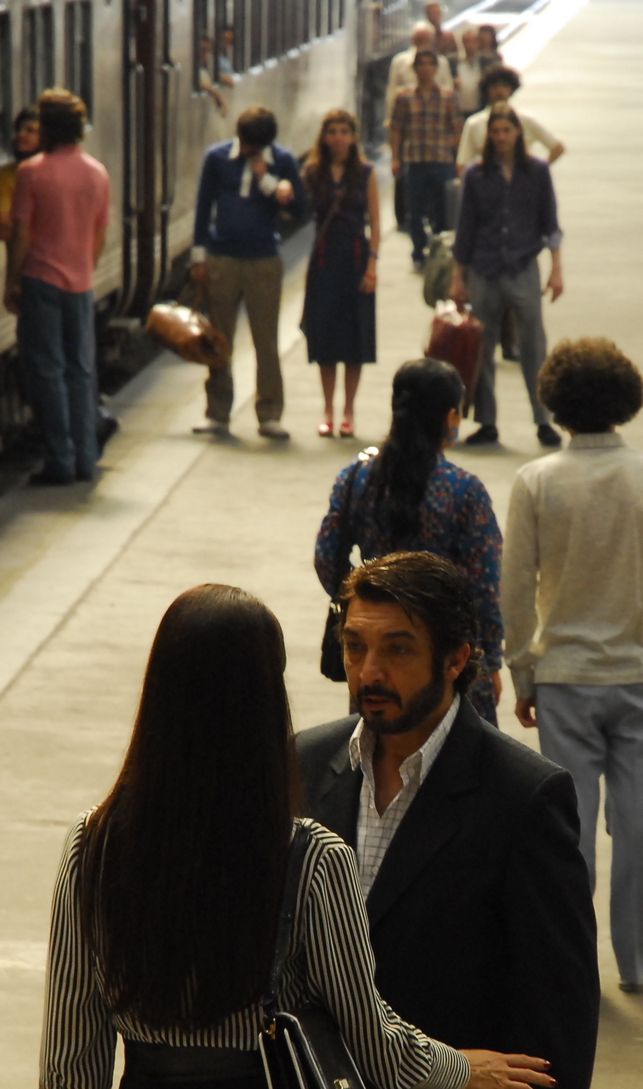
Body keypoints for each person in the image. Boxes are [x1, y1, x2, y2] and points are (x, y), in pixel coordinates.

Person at [42, 584, 552, 1089]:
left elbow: (71, 1067)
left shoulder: (93, 848)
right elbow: (376, 1046)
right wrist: (466, 1071)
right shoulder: (311, 861)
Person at [297, 551, 599, 1089]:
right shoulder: (303, 768)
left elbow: (558, 992)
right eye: (357, 647)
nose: (369, 671)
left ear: (458, 659)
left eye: (397, 649)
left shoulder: (521, 796)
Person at [503, 339, 643, 995]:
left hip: (564, 679)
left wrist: (523, 672)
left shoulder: (536, 482)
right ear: (625, 402)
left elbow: (514, 590)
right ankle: (638, 963)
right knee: (640, 826)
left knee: (571, 829)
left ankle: (569, 964)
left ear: (556, 403)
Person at [314, 361, 505, 722]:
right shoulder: (464, 491)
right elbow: (484, 587)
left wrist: (366, 601)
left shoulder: (356, 479)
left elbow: (327, 559)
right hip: (447, 656)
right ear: (451, 416)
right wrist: (490, 658)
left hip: (377, 652)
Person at [3, 90, 112, 485]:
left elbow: (21, 234)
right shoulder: (97, 173)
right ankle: (85, 458)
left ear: (47, 128)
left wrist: (11, 281)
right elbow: (99, 234)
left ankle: (60, 460)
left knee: (47, 371)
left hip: (42, 284)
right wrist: (84, 270)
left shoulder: (31, 173)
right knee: (80, 371)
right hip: (80, 286)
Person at [451, 104, 565, 449]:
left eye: (506, 131)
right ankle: (487, 421)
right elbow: (465, 229)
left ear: (519, 134)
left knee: (534, 345)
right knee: (482, 347)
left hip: (523, 266)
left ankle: (543, 418)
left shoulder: (538, 173)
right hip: (484, 268)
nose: (500, 138)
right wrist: (459, 277)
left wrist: (557, 269)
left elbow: (551, 223)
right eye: (495, 132)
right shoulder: (476, 175)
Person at [191, 107, 306, 440]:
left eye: (251, 147)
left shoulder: (282, 161)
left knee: (265, 339)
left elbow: (299, 208)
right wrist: (199, 257)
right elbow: (203, 206)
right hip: (221, 257)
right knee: (218, 338)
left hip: (263, 260)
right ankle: (217, 412)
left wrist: (266, 179)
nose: (244, 151)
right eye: (242, 143)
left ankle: (269, 412)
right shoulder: (216, 158)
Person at [300, 109, 381, 439]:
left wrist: (373, 266)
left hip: (356, 257)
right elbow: (298, 211)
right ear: (324, 136)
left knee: (355, 336)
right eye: (332, 131)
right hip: (323, 261)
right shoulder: (313, 172)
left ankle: (349, 410)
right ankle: (328, 409)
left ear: (353, 137)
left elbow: (375, 223)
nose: (338, 138)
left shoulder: (365, 173)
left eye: (344, 132)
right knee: (326, 335)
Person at [389, 50, 464, 271]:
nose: (425, 69)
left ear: (435, 69)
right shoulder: (404, 97)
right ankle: (418, 251)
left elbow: (457, 129)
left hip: (442, 160)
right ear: (415, 69)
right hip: (415, 160)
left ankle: (441, 249)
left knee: (443, 209)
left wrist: (458, 158)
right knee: (415, 210)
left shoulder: (448, 97)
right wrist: (396, 158)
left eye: (430, 64)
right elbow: (396, 129)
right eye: (421, 64)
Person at [456, 66, 566, 172]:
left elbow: (557, 148)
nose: (499, 91)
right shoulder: (474, 123)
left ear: (512, 89)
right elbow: (463, 163)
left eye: (504, 86)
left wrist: (535, 174)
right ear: (487, 90)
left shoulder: (525, 120)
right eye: (494, 87)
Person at [0, 106, 41, 242]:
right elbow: (2, 230)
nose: (21, 135)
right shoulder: (8, 173)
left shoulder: (57, 173)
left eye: (30, 131)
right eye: (19, 129)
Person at [390, 21, 461, 105]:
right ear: (413, 39)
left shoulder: (442, 62)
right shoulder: (399, 61)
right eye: (419, 39)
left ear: (432, 40)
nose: (422, 43)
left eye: (426, 39)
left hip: (436, 111)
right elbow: (392, 92)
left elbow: (448, 90)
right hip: (408, 111)